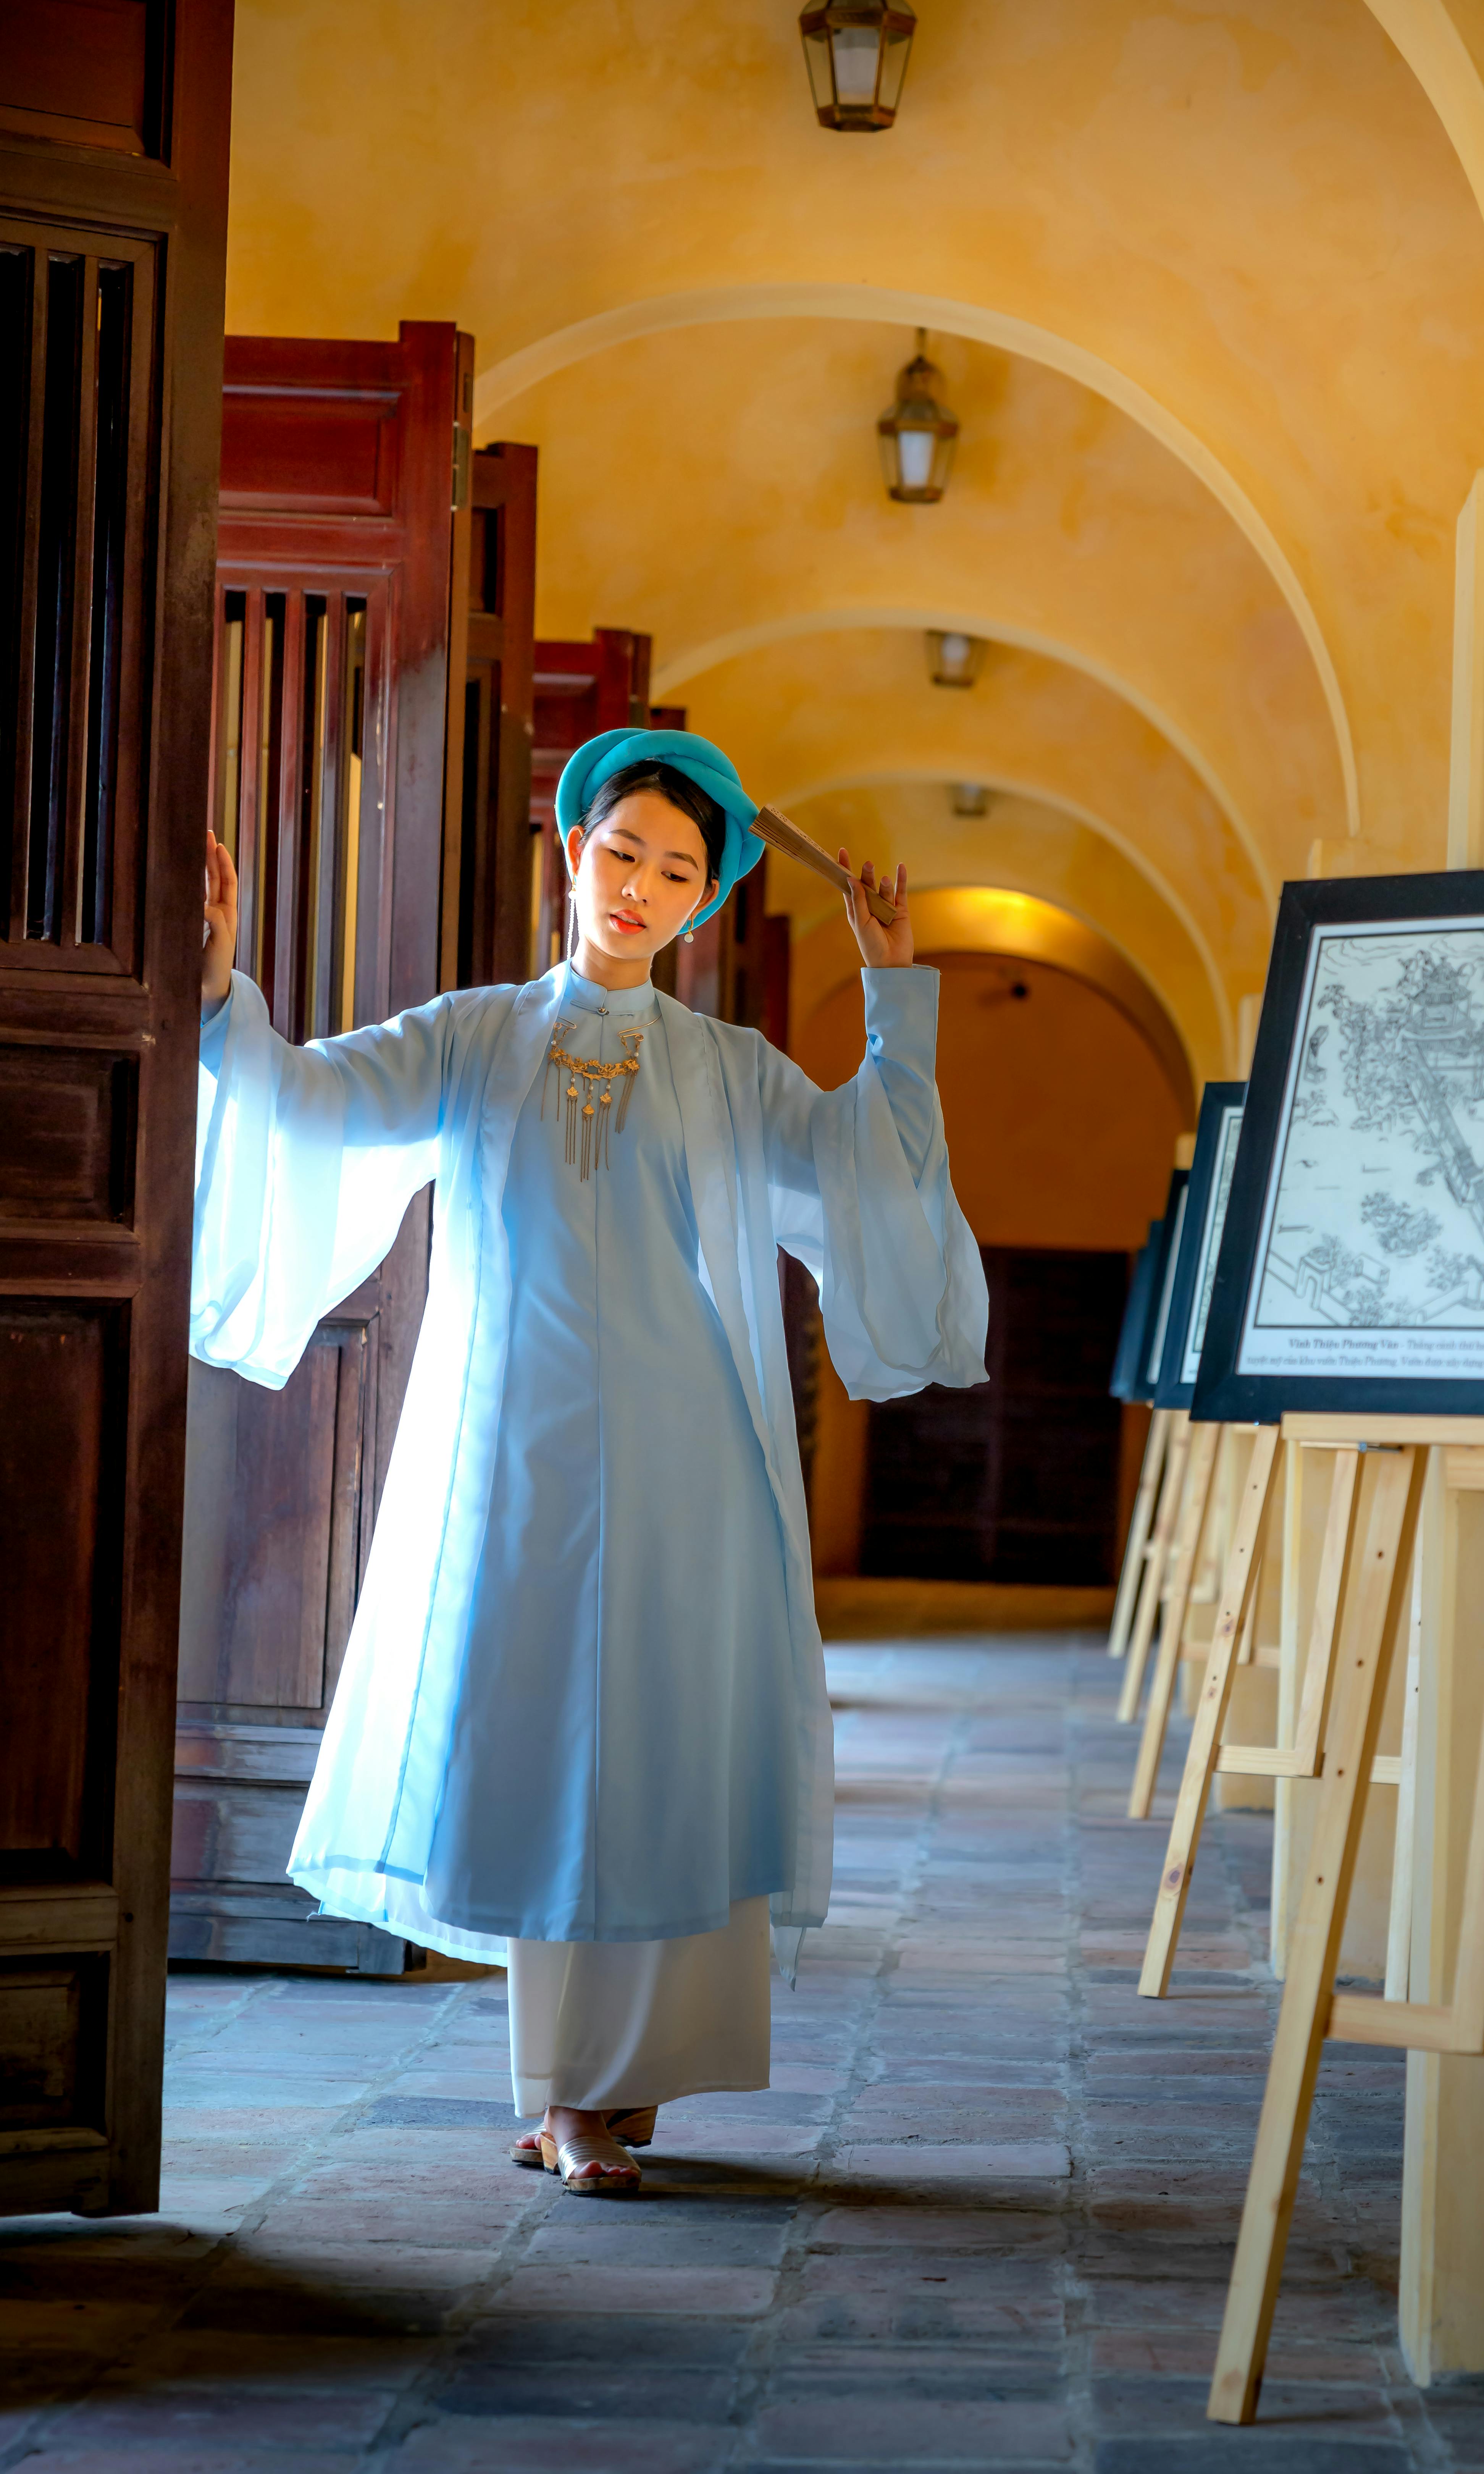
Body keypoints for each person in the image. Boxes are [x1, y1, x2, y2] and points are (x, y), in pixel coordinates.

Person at [192, 728, 986, 2194]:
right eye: (622, 851)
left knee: (665, 1753)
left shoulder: (728, 1069)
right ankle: (562, 2091)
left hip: (697, 1464)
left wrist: (895, 992)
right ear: (574, 852)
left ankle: (622, 2086)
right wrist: (219, 986)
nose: (641, 887)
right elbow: (306, 1102)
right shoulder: (475, 1034)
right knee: (552, 1749)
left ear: (705, 904)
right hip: (519, 1456)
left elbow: (869, 1165)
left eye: (678, 871)